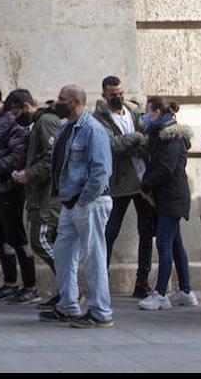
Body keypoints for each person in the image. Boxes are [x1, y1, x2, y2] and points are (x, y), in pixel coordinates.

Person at [41, 84, 114, 328]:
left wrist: (84, 199)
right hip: (70, 202)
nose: (57, 103)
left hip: (89, 202)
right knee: (63, 253)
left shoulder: (93, 129)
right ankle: (68, 305)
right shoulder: (65, 128)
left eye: (62, 99)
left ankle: (100, 312)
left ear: (76, 103)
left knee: (93, 256)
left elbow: (101, 169)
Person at [0, 81, 36, 304]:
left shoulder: (14, 120)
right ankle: (10, 282)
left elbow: (17, 156)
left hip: (9, 188)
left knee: (17, 237)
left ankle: (30, 285)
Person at [93, 75, 152, 298]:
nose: (117, 97)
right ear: (104, 95)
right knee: (109, 233)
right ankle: (102, 282)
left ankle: (142, 283)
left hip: (143, 180)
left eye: (120, 93)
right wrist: (136, 137)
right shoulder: (99, 118)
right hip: (118, 183)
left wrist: (135, 141)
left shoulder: (134, 112)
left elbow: (149, 140)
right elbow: (111, 146)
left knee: (146, 232)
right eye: (112, 94)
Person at [138, 97, 197, 311]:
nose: (145, 116)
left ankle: (161, 294)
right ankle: (186, 291)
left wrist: (145, 186)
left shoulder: (171, 138)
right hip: (168, 195)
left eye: (147, 112)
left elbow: (166, 168)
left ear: (156, 112)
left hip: (172, 196)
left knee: (163, 243)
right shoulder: (160, 136)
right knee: (174, 243)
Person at [8, 89, 63, 309]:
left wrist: (28, 174)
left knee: (40, 242)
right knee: (50, 242)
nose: (15, 118)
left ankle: (69, 286)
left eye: (15, 113)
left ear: (25, 106)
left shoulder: (45, 122)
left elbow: (53, 156)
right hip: (43, 193)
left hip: (47, 196)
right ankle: (66, 289)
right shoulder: (40, 122)